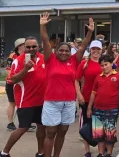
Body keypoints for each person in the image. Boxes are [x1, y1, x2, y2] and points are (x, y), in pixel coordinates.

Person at [40, 12, 93, 157]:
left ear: (71, 52)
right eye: (61, 50)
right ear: (55, 51)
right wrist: (43, 27)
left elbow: (83, 47)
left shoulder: (74, 61)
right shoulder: (50, 60)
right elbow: (45, 42)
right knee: (50, 133)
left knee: (62, 131)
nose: (64, 52)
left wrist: (90, 32)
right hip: (51, 102)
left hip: (69, 102)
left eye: (67, 51)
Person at [1, 37, 46, 157]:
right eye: (28, 47)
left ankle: (40, 152)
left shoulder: (43, 58)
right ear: (24, 47)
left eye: (34, 46)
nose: (31, 49)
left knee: (41, 127)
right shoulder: (19, 60)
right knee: (23, 128)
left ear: (38, 46)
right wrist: (26, 68)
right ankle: (5, 152)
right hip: (26, 100)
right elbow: (13, 79)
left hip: (42, 100)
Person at [87, 54, 119, 157]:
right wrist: (89, 107)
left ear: (112, 64)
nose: (104, 67)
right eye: (102, 65)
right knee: (99, 134)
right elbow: (93, 92)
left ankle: (109, 153)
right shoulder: (98, 77)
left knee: (110, 134)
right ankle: (101, 153)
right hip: (97, 109)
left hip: (112, 109)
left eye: (106, 64)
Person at [75, 40, 103, 157]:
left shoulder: (105, 62)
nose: (95, 51)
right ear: (90, 50)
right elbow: (76, 80)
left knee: (100, 125)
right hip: (86, 98)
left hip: (102, 99)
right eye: (93, 49)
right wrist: (79, 95)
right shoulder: (84, 63)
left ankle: (102, 150)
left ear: (101, 50)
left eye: (98, 49)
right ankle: (87, 151)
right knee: (86, 124)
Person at [5, 38, 26, 131]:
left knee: (23, 103)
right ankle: (10, 123)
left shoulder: (27, 55)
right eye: (25, 45)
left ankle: (24, 122)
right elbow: (8, 70)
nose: (28, 47)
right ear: (19, 46)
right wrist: (14, 80)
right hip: (12, 83)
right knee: (12, 103)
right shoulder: (12, 56)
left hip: (24, 83)